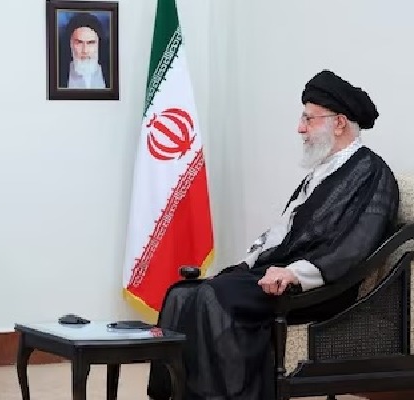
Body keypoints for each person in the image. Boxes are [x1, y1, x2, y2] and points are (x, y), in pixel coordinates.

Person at [147, 70, 399, 400]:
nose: (300, 128)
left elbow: (353, 248)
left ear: (339, 123)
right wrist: (248, 263)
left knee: (213, 296)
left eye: (308, 118)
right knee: (182, 294)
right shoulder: (325, 169)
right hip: (279, 275)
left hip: (323, 286)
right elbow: (285, 231)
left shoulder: (373, 174)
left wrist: (294, 274)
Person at [58, 12, 110, 89]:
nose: (85, 50)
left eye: (90, 43)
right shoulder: (59, 75)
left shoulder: (110, 74)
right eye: (79, 42)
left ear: (99, 44)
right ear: (70, 44)